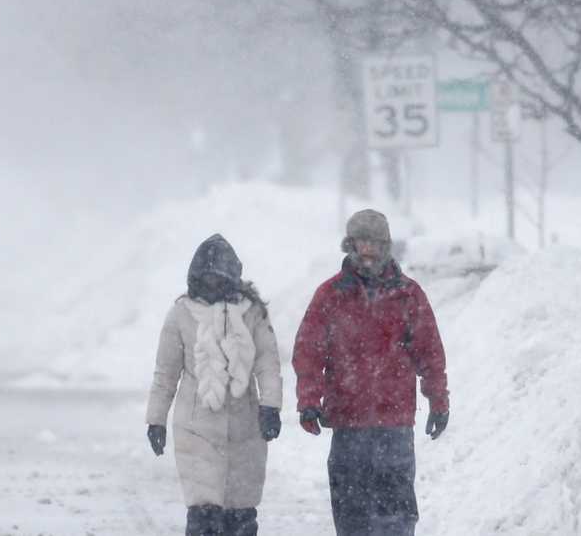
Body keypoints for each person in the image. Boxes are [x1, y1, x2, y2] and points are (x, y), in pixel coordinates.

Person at [292, 209, 450, 536]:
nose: (368, 251)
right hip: (348, 425)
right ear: (349, 245)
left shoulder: (408, 295)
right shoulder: (330, 295)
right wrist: (308, 399)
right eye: (362, 242)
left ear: (386, 246)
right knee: (352, 519)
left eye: (375, 243)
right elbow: (308, 351)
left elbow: (430, 352)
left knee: (397, 518)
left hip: (394, 427)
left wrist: (439, 401)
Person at [146, 233, 283, 536]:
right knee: (203, 515)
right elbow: (165, 374)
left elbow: (267, 363)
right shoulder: (180, 314)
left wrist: (270, 406)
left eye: (218, 279)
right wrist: (155, 420)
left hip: (246, 428)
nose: (212, 286)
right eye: (206, 279)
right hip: (196, 428)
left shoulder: (253, 313)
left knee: (241, 516)